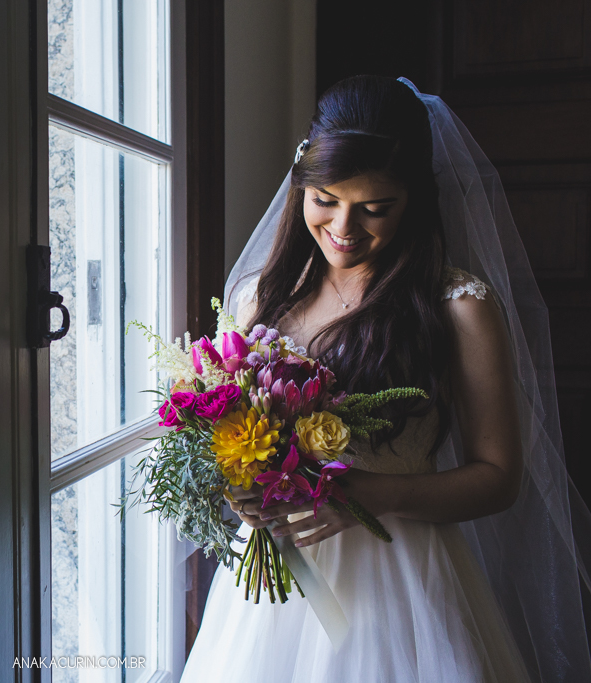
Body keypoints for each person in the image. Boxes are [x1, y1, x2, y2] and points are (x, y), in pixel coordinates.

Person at [180, 76, 591, 682]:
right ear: (300, 187)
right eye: (325, 199)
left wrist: (373, 494)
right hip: (274, 591)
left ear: (414, 200)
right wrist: (241, 491)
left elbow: (499, 479)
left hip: (401, 578)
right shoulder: (259, 301)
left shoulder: (458, 306)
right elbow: (231, 437)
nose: (344, 227)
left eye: (375, 208)